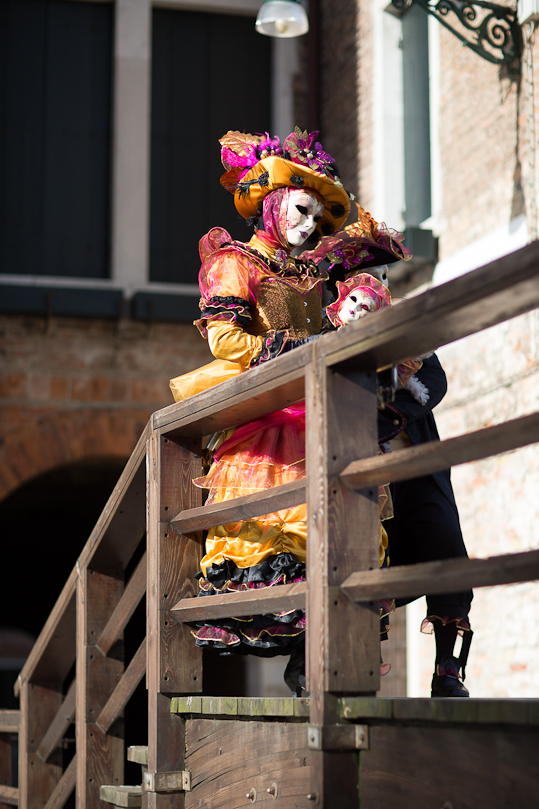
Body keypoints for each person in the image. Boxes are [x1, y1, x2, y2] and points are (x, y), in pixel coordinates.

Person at [170, 128, 369, 695]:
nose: (309, 227)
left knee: (328, 531)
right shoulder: (235, 262)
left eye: (317, 219)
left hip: (317, 414)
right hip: (265, 424)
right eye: (302, 211)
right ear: (274, 202)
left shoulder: (314, 277)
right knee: (272, 532)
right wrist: (291, 351)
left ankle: (312, 658)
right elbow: (225, 340)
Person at [308, 217, 473, 697]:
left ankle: (448, 670)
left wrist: (391, 414)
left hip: (413, 458)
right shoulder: (327, 329)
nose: (379, 285)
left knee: (443, 541)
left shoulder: (404, 327)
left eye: (383, 276)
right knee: (365, 560)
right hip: (357, 466)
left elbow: (434, 379)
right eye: (368, 276)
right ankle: (355, 670)